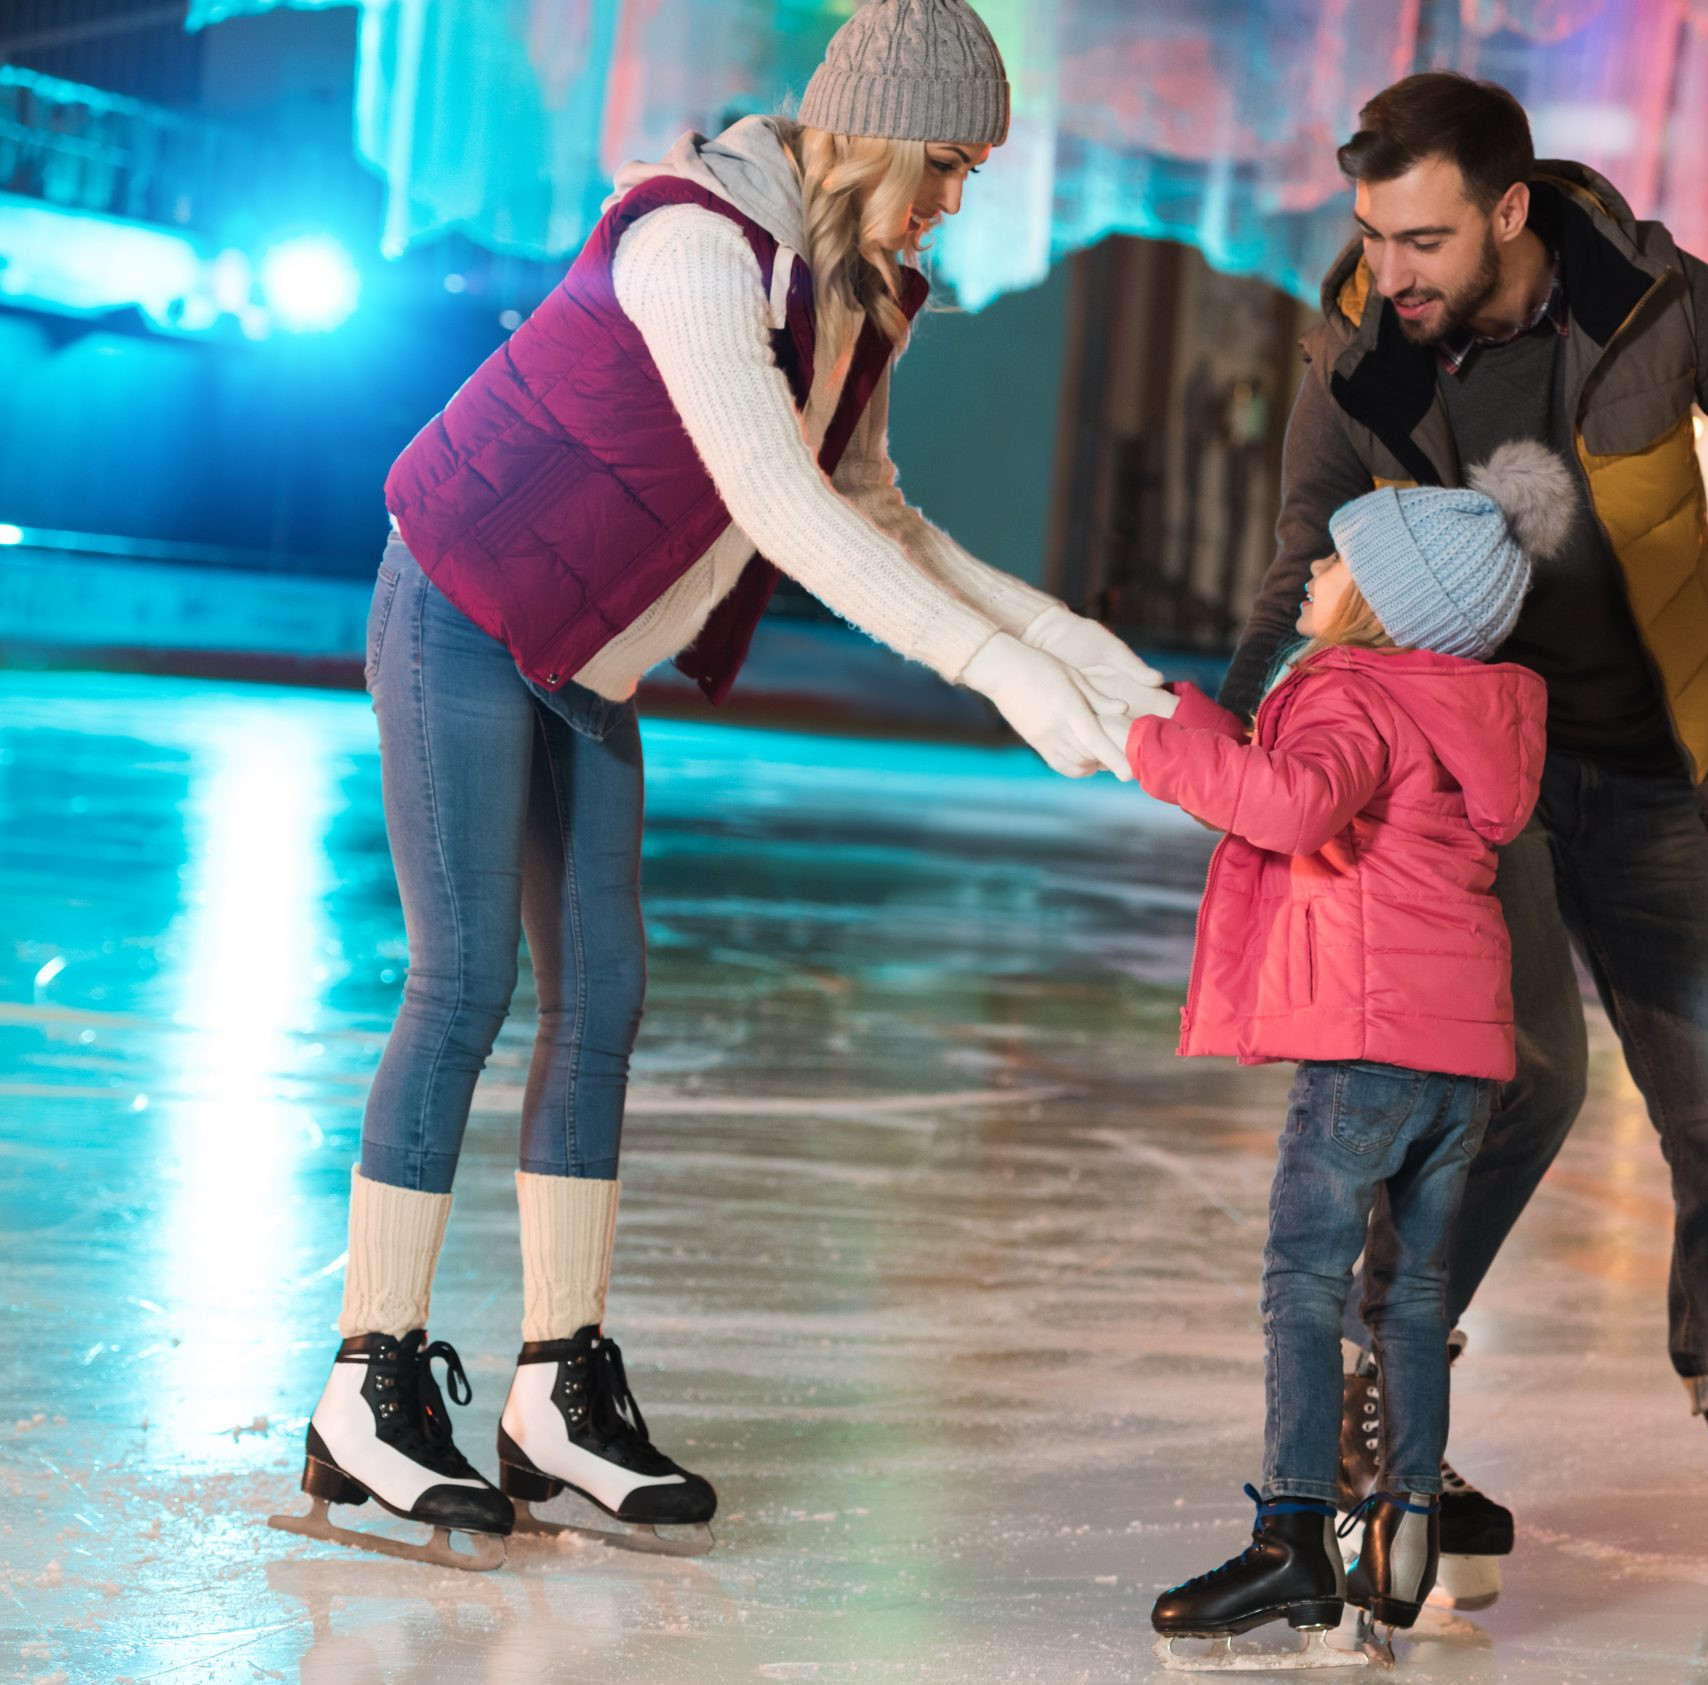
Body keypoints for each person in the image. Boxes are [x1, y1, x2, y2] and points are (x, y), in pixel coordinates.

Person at [277, 0, 1170, 1570]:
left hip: (590, 651)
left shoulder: (867, 292)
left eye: (972, 172)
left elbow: (873, 507)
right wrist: (997, 673)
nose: (952, 199)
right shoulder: (695, 243)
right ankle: (369, 1381)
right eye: (945, 163)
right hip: (467, 600)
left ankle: (556, 1388)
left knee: (604, 994)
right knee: (466, 977)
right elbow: (775, 500)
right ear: (873, 132)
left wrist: (1070, 645)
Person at [1221, 73, 1708, 1596]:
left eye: (1425, 239)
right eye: (1375, 235)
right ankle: (1390, 1399)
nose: (1393, 270)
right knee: (1528, 1083)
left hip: (1643, 768)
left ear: (1512, 210)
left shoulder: (1655, 303)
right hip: (1475, 785)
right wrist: (1245, 738)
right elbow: (1299, 555)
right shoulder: (1361, 349)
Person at [1128, 445, 1563, 1665]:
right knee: (1410, 1296)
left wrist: (1155, 747)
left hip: (1366, 1042)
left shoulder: (1353, 689)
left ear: (1382, 597)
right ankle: (1405, 1524)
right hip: (1461, 1049)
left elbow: (1292, 805)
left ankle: (1294, 1534)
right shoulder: (1467, 706)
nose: (1311, 571)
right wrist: (1205, 721)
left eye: (1335, 558)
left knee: (1302, 1282)